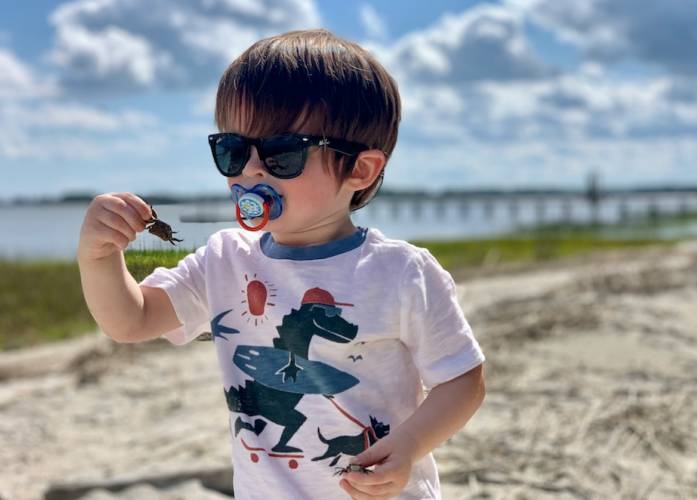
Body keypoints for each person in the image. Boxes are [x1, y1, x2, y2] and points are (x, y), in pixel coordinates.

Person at [77, 29, 485, 500]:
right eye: (232, 149)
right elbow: (131, 320)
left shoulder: (400, 272)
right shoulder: (225, 259)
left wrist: (411, 444)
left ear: (360, 170)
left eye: (281, 154)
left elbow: (462, 379)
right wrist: (100, 257)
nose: (250, 170)